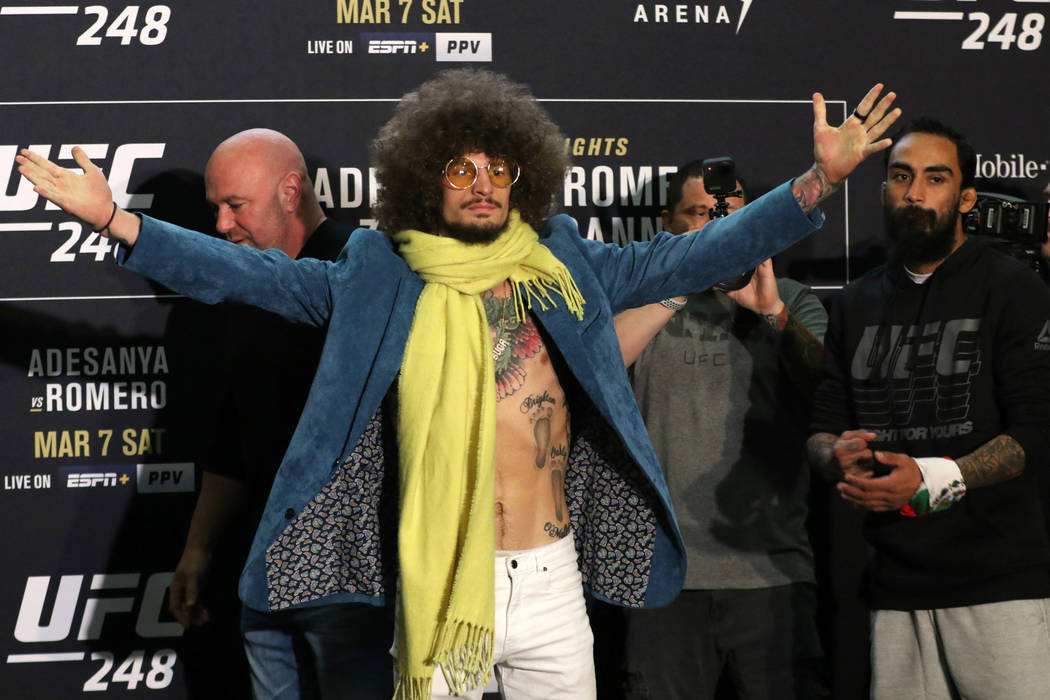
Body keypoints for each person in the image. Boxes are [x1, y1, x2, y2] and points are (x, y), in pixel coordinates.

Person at [17, 69, 899, 700]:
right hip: (440, 573)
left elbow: (697, 252)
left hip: (552, 579)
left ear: (523, 175)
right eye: (460, 169)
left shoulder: (564, 262)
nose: (482, 185)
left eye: (497, 169)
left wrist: (816, 182)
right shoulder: (376, 267)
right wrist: (118, 220)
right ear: (422, 177)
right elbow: (245, 275)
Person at [806, 117, 1050, 699]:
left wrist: (933, 479)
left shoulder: (1013, 288)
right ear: (884, 188)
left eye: (935, 179)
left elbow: (1036, 431)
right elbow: (822, 429)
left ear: (967, 197)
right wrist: (834, 456)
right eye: (901, 177)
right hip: (893, 587)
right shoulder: (856, 302)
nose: (915, 193)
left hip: (999, 584)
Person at [166, 128, 394, 699]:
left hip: (353, 582)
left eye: (234, 206)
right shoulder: (239, 288)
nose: (220, 226)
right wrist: (198, 549)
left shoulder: (365, 272)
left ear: (291, 191)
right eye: (215, 207)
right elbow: (233, 432)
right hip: (263, 577)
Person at [610, 162, 829, 699]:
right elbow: (591, 379)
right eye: (700, 214)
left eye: (729, 215)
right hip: (662, 579)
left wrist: (772, 311)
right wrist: (675, 283)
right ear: (667, 224)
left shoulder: (792, 298)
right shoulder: (636, 306)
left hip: (770, 573)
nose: (716, 227)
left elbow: (830, 392)